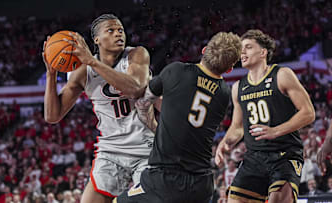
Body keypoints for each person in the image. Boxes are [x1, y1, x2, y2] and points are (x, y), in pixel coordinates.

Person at [117, 31, 242, 203]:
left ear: (204, 50)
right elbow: (184, 113)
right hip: (201, 185)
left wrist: (154, 124)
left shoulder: (176, 70)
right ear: (229, 69)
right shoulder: (223, 94)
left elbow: (143, 103)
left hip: (166, 179)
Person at [42, 14, 154, 203]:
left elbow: (135, 89)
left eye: (120, 30)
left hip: (146, 147)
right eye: (110, 30)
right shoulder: (83, 72)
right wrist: (51, 74)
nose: (118, 34)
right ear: (97, 40)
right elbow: (52, 116)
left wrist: (93, 62)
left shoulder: (137, 54)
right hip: (111, 150)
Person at [215, 29, 315, 203]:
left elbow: (308, 112)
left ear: (263, 52)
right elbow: (238, 127)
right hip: (254, 158)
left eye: (248, 47)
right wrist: (225, 143)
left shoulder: (282, 75)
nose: (242, 52)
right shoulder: (238, 87)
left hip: (284, 155)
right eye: (241, 48)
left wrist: (276, 131)